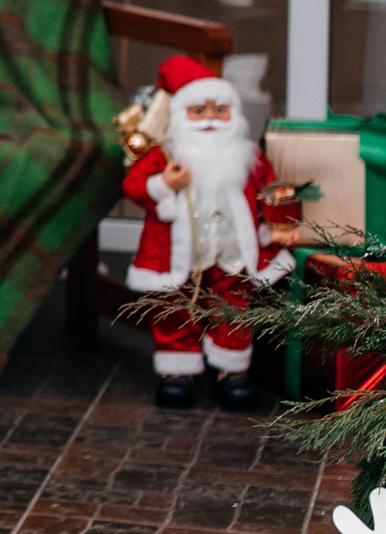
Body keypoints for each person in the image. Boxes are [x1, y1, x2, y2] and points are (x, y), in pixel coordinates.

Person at [122, 53, 301, 411]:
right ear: (181, 116)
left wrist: (280, 226)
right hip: (178, 256)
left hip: (232, 254)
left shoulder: (248, 154)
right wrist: (163, 183)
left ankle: (231, 372)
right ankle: (177, 372)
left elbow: (270, 189)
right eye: (198, 111)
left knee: (233, 310)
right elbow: (134, 185)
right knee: (174, 309)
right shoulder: (165, 155)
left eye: (219, 111)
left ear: (232, 114)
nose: (210, 120)